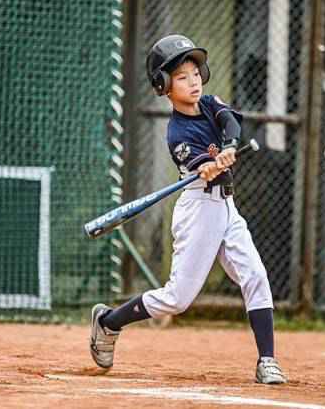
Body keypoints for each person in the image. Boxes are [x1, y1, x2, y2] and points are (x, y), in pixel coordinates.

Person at [89, 34, 287, 384]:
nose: (192, 81)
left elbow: (231, 123)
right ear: (164, 85)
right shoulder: (177, 132)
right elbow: (199, 164)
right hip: (199, 210)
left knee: (256, 276)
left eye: (195, 72)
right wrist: (208, 165)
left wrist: (227, 147)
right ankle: (108, 322)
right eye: (181, 77)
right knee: (177, 300)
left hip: (227, 207)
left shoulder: (210, 103)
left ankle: (267, 360)